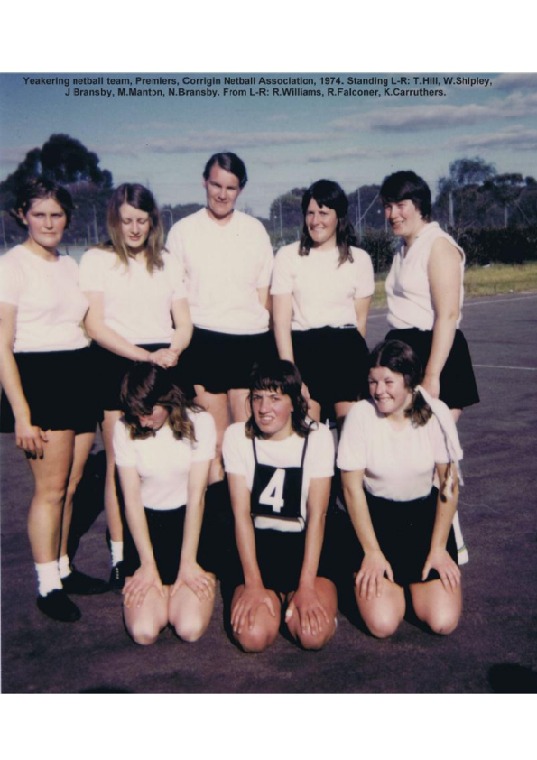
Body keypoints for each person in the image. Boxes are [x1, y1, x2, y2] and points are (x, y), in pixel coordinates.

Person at [0, 178, 107, 623]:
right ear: (23, 215)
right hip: (38, 380)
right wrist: (23, 414)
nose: (48, 223)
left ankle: (63, 568)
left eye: (56, 214)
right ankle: (47, 586)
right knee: (50, 490)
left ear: (67, 218)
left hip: (77, 374)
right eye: (39, 214)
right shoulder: (11, 266)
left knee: (73, 483)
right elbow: (2, 346)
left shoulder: (69, 264)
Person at [79, 183, 193, 590]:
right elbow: (94, 325)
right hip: (117, 363)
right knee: (118, 465)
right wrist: (142, 356)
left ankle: (179, 552)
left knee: (172, 453)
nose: (134, 228)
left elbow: (184, 323)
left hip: (163, 363)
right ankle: (120, 556)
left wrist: (172, 349)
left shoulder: (168, 262)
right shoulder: (96, 260)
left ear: (152, 221)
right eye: (126, 220)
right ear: (115, 220)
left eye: (141, 220)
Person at [337, 340, 463, 638]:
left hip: (423, 522)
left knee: (442, 621)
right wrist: (371, 552)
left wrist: (438, 548)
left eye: (388, 381)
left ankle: (414, 589)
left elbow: (449, 485)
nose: (379, 390)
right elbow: (352, 490)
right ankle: (389, 589)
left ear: (409, 380)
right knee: (382, 624)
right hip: (377, 522)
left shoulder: (436, 412)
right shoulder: (360, 416)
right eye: (372, 381)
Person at [166, 152, 276, 485]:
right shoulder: (183, 231)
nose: (222, 194)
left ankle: (249, 522)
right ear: (205, 182)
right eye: (216, 184)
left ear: (240, 189)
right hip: (205, 343)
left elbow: (263, 294)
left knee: (246, 437)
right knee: (214, 440)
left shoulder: (255, 231)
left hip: (250, 341)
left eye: (231, 187)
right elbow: (175, 297)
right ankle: (219, 526)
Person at [222, 359, 338, 653]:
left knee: (312, 636)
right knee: (252, 637)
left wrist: (307, 586)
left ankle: (300, 599)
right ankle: (276, 601)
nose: (264, 408)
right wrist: (253, 583)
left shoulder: (318, 437)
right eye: (258, 397)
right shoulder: (238, 436)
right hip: (259, 547)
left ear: (293, 402)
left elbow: (318, 517)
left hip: (305, 546)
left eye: (275, 398)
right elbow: (241, 516)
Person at [113, 363, 217, 645]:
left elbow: (197, 496)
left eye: (148, 412)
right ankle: (162, 586)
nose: (142, 421)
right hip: (148, 530)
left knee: (189, 627)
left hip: (189, 528)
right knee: (144, 632)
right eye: (136, 413)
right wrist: (147, 564)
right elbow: (131, 501)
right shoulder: (124, 428)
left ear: (168, 399)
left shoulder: (201, 422)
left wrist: (188, 563)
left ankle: (182, 584)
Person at [271, 180, 375, 427]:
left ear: (339, 217)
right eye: (310, 212)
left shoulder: (359, 259)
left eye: (323, 213)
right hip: (304, 352)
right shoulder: (287, 256)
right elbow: (281, 321)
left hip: (346, 353)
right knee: (309, 435)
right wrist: (291, 373)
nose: (316, 220)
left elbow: (360, 323)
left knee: (352, 435)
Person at [380, 170, 479, 423]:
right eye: (388, 207)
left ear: (420, 206)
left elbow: (448, 314)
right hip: (402, 351)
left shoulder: (438, 245)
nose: (392, 214)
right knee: (406, 451)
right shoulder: (403, 248)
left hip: (433, 352)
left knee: (436, 449)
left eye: (400, 205)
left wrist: (432, 374)